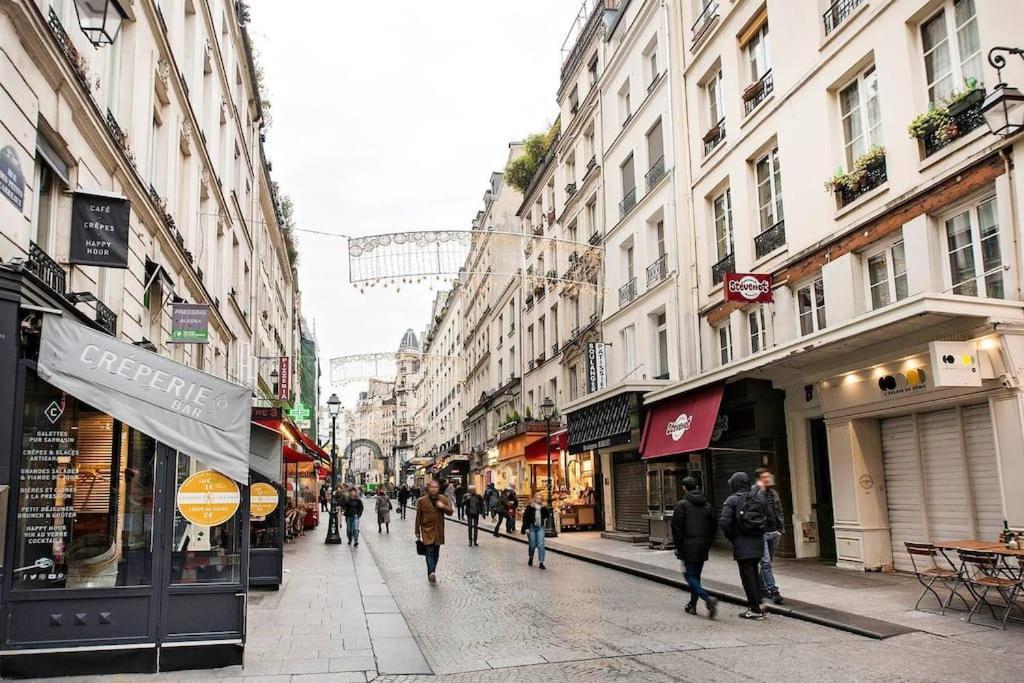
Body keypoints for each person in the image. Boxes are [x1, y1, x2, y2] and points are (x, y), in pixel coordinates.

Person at [720, 472, 768, 619]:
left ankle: (754, 609)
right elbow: (769, 518)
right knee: (755, 573)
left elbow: (724, 522)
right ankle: (758, 603)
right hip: (758, 542)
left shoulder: (732, 500)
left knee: (748, 576)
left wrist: (733, 537)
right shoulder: (759, 497)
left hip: (742, 543)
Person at [671, 477, 719, 619]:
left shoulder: (682, 505)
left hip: (688, 545)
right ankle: (692, 605)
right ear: (697, 486)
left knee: (689, 576)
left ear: (684, 488)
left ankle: (708, 599)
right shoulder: (707, 505)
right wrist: (708, 543)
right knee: (696, 576)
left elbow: (676, 528)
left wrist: (678, 547)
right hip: (703, 545)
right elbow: (714, 527)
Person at [754, 468, 785, 605]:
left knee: (768, 563)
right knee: (765, 563)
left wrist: (780, 529)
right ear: (759, 479)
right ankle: (774, 592)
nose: (768, 479)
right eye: (765, 477)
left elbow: (779, 511)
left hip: (774, 532)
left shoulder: (774, 493)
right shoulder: (753, 493)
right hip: (762, 533)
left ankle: (761, 588)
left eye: (769, 476)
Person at [414, 480, 452, 583]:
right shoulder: (422, 500)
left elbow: (450, 512)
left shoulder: (443, 499)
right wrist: (417, 531)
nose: (434, 489)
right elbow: (418, 517)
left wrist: (443, 506)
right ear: (428, 488)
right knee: (429, 551)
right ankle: (431, 572)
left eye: (436, 487)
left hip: (438, 530)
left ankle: (432, 571)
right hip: (427, 529)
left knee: (436, 553)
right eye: (432, 487)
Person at [520, 492, 551, 569]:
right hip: (531, 527)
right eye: (537, 498)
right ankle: (531, 557)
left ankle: (541, 562)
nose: (538, 500)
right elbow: (525, 518)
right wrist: (526, 528)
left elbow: (547, 515)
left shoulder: (543, 507)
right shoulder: (530, 507)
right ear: (534, 498)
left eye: (540, 498)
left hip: (540, 527)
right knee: (532, 544)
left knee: (541, 544)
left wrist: (544, 508)